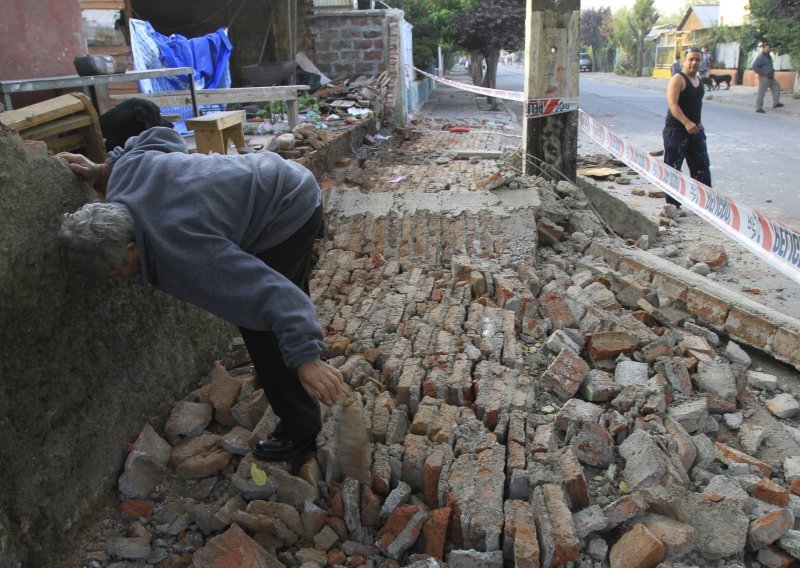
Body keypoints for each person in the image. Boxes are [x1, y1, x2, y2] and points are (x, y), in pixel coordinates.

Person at [58, 126, 344, 462]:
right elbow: (161, 135)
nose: (117, 280)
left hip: (287, 205)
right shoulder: (124, 174)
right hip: (269, 176)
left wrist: (304, 358)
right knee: (279, 302)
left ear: (132, 247)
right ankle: (304, 354)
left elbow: (275, 296)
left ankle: (301, 427)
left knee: (261, 325)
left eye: (115, 272)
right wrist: (103, 170)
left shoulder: (185, 255)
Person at [662, 47, 711, 209]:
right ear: (685, 61)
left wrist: (698, 123)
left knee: (701, 166)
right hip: (676, 130)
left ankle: (705, 204)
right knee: (673, 168)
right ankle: (673, 205)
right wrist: (686, 122)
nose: (694, 62)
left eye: (697, 59)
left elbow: (696, 105)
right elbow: (672, 104)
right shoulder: (678, 79)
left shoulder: (699, 80)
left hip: (695, 131)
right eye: (691, 59)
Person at [752, 41, 784, 113]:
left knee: (777, 87)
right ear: (763, 48)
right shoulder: (761, 57)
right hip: (764, 77)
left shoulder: (768, 56)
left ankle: (776, 103)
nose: (768, 49)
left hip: (771, 77)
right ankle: (758, 107)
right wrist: (763, 73)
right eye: (766, 48)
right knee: (761, 92)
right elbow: (754, 67)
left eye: (769, 48)